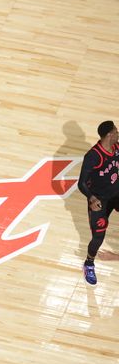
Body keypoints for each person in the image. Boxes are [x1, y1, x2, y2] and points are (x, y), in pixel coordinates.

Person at [78, 120, 119, 285]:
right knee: (98, 236)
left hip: (116, 192)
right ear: (109, 134)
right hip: (99, 200)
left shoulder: (116, 147)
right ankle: (88, 263)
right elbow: (81, 183)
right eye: (116, 131)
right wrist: (92, 198)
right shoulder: (93, 156)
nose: (118, 133)